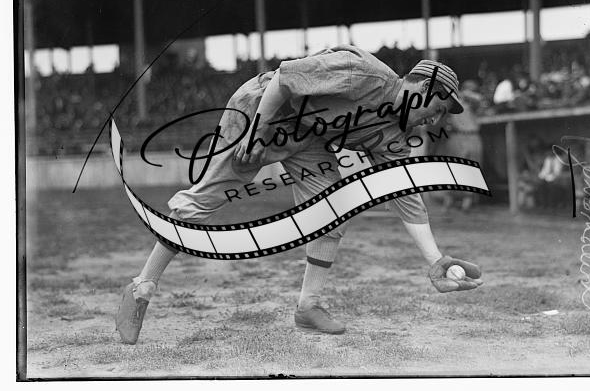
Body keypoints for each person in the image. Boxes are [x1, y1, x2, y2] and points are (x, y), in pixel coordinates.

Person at [115, 45, 484, 344]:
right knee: (205, 200)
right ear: (422, 88)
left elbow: (406, 195)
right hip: (261, 110)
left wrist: (435, 260)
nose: (435, 121)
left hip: (308, 138)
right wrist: (255, 132)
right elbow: (283, 80)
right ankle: (142, 286)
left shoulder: (394, 135)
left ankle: (309, 306)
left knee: (331, 211)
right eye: (438, 108)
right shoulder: (362, 73)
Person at [436, 80, 484, 210]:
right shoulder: (453, 101)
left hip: (473, 136)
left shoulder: (474, 102)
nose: (471, 91)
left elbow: (477, 100)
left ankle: (467, 202)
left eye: (473, 89)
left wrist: (465, 93)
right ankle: (448, 201)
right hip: (457, 136)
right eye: (469, 89)